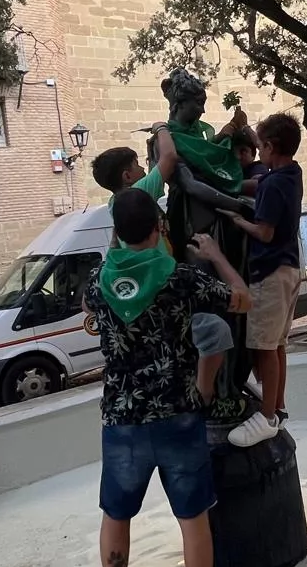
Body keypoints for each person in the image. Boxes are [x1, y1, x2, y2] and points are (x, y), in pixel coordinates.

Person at [84, 189, 251, 567]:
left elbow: (90, 311)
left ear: (116, 232)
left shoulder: (96, 281)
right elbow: (241, 299)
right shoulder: (180, 278)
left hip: (122, 420)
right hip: (178, 415)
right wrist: (216, 254)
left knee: (116, 516)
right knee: (192, 519)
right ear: (159, 230)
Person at [89, 131, 232, 403]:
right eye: (138, 166)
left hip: (147, 286)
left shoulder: (116, 205)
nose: (144, 169)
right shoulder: (138, 194)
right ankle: (205, 392)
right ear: (127, 177)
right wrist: (161, 129)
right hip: (162, 280)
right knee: (216, 328)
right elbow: (168, 158)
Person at [223, 113, 304, 448]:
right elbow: (258, 182)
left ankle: (267, 416)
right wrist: (230, 184)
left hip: (268, 273)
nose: (256, 151)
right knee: (278, 345)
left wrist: (237, 219)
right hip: (290, 270)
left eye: (259, 144)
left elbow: (264, 232)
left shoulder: (271, 184)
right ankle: (279, 407)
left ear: (270, 147)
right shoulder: (291, 173)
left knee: (263, 347)